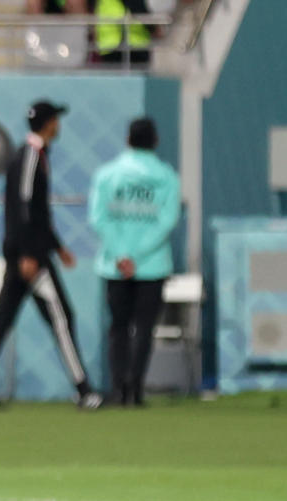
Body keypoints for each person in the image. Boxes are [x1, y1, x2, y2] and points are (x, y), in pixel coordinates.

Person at [0, 100, 103, 413]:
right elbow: (25, 205)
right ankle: (84, 390)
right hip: (31, 259)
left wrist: (57, 245)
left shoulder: (36, 155)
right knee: (62, 318)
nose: (59, 125)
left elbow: (38, 211)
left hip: (28, 252)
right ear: (49, 122)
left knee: (1, 322)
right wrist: (29, 253)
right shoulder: (30, 156)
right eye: (56, 119)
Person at [88, 117, 179, 406]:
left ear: (127, 139)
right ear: (155, 141)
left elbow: (98, 217)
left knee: (119, 327)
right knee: (144, 328)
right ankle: (135, 389)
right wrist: (138, 255)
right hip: (151, 265)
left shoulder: (108, 174)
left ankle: (118, 388)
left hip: (115, 265)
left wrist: (121, 255)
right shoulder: (166, 177)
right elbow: (167, 220)